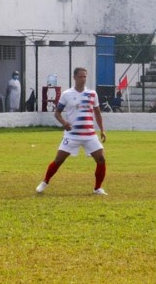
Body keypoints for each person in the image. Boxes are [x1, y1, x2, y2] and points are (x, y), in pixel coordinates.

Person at [36, 67, 108, 196]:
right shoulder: (66, 94)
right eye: (80, 76)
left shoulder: (92, 94)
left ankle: (97, 188)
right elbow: (57, 113)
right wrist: (64, 123)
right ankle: (45, 182)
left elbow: (97, 113)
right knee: (58, 160)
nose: (83, 79)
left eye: (85, 76)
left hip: (89, 135)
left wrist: (102, 130)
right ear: (74, 77)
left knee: (101, 159)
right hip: (72, 135)